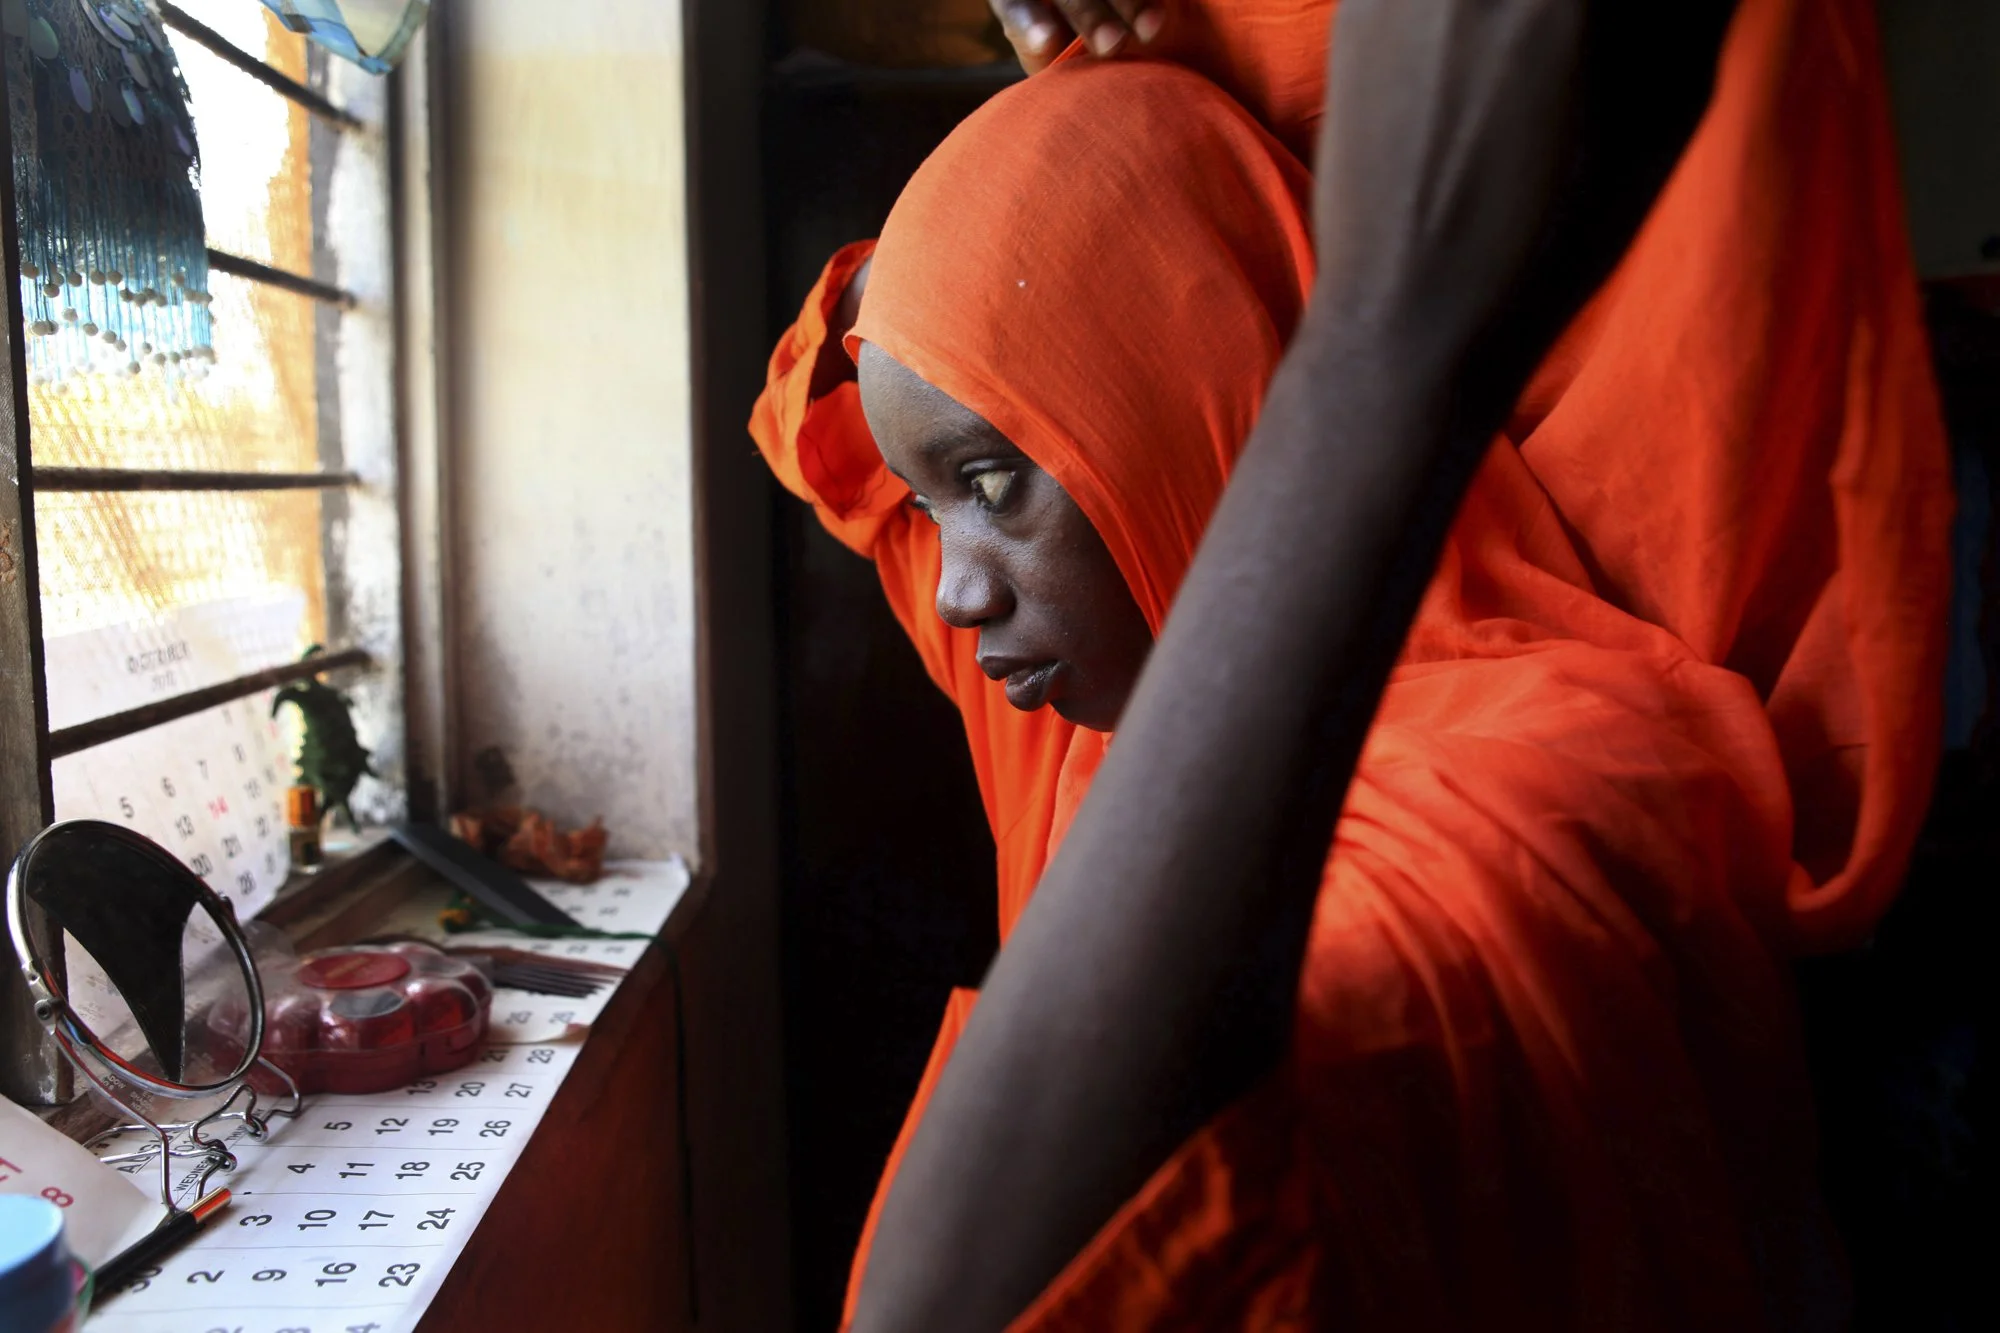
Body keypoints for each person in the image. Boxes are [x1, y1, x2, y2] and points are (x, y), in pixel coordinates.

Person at [750, 0, 1953, 1328]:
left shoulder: (1519, 814)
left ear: (1190, 410)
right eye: (933, 507)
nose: (956, 591)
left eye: (988, 482)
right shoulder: (1101, 668)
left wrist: (1388, 326)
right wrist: (1114, 121)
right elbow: (833, 428)